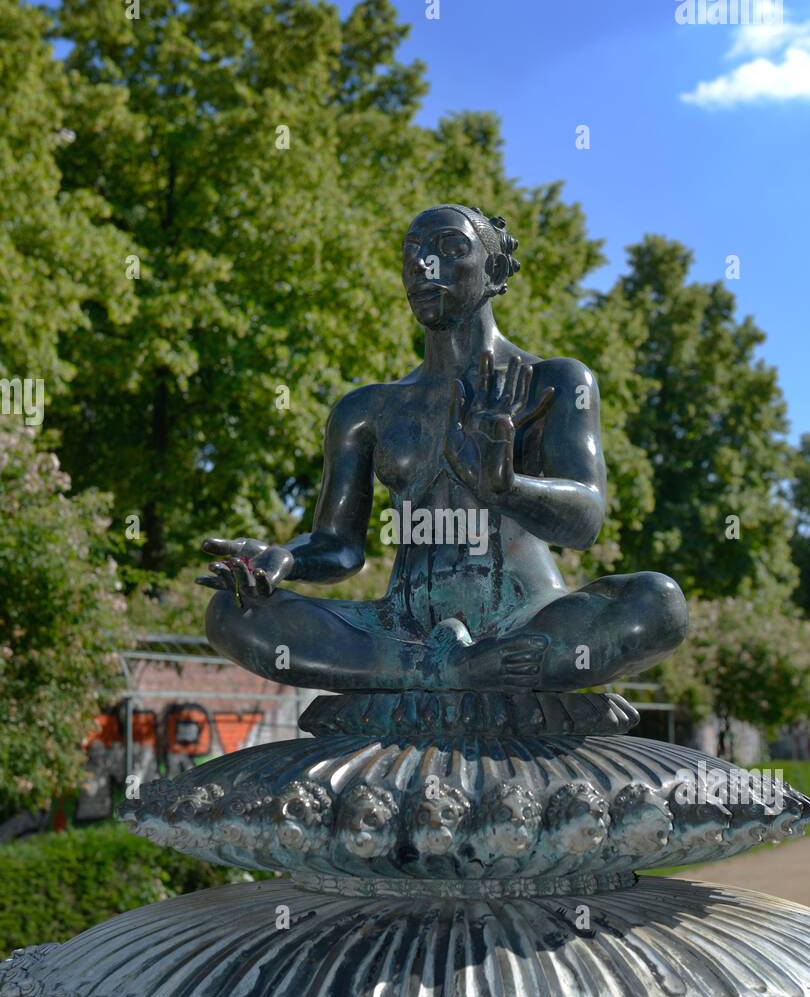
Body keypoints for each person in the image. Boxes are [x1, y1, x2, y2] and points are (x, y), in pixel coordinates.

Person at [199, 204, 687, 692]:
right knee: (231, 612)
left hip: (528, 620)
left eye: (449, 249)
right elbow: (338, 547)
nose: (422, 265)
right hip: (401, 628)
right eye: (411, 253)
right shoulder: (364, 410)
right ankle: (445, 671)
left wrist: (508, 489)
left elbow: (586, 521)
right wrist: (283, 557)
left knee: (656, 602)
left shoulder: (555, 380)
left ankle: (431, 674)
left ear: (494, 271)